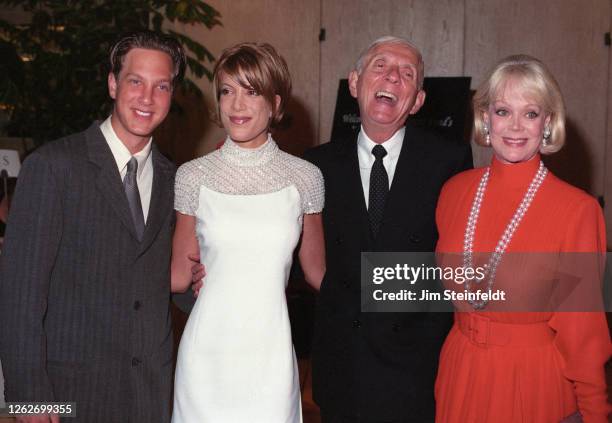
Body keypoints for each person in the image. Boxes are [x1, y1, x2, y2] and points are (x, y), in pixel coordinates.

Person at [0, 31, 188, 423]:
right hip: (67, 396)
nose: (147, 98)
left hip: (149, 395)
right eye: (136, 81)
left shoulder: (176, 181)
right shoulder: (53, 167)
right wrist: (29, 400)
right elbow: (19, 296)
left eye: (162, 86)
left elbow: (164, 280)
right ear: (113, 83)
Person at [303, 36, 473, 422]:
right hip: (342, 367)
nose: (392, 77)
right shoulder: (315, 166)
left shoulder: (449, 161)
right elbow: (305, 260)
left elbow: (460, 263)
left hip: (417, 368)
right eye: (380, 66)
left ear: (417, 100)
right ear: (354, 83)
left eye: (407, 73)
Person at [434, 55, 611, 422]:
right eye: (502, 111)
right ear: (485, 118)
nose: (515, 126)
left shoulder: (578, 210)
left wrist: (596, 413)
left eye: (530, 113)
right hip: (460, 373)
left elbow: (584, 335)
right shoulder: (453, 191)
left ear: (547, 122)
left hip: (530, 383)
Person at [170, 42, 325, 422]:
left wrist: (402, 292)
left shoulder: (305, 177)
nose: (236, 105)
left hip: (270, 361)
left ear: (274, 103)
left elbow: (320, 274)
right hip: (205, 360)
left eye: (251, 91)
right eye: (227, 91)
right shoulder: (192, 176)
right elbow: (176, 275)